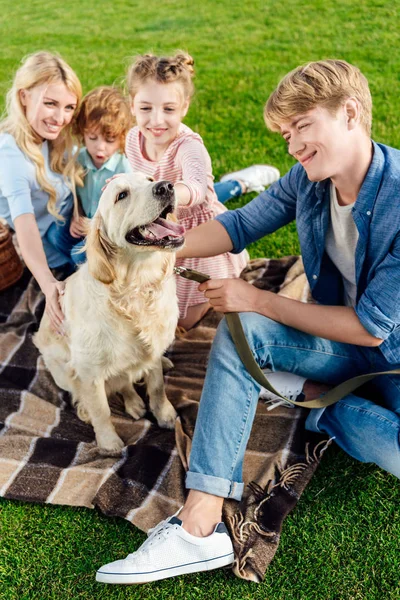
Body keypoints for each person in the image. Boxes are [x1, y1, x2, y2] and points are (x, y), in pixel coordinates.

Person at [96, 59, 400, 585]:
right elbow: (237, 225)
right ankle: (199, 528)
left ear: (350, 113)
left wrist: (258, 299)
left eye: (303, 127)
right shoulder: (308, 182)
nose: (293, 146)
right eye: (286, 134)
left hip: (384, 350)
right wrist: (158, 240)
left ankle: (309, 395)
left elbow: (373, 328)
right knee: (242, 339)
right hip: (340, 343)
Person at [124, 51, 275, 329]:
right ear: (132, 105)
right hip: (160, 228)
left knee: (184, 320)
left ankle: (241, 182)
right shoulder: (133, 138)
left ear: (184, 107)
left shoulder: (189, 146)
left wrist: (164, 195)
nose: (156, 120)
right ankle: (238, 182)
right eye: (145, 108)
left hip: (196, 232)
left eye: (168, 109)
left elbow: (197, 188)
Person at [0, 51, 83, 333]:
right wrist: (49, 286)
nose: (61, 118)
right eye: (50, 104)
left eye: (69, 107)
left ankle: (219, 189)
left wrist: (80, 213)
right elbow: (25, 226)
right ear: (24, 96)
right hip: (52, 243)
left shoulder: (50, 137)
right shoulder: (11, 155)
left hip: (75, 221)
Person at [49, 86, 133, 265]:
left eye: (110, 140)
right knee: (55, 236)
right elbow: (77, 196)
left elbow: (124, 213)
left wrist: (95, 228)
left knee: (78, 255)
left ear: (122, 138)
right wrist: (76, 216)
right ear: (83, 133)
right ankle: (80, 270)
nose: (100, 147)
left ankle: (88, 272)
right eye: (93, 138)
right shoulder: (78, 159)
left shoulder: (124, 168)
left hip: (107, 232)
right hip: (84, 224)